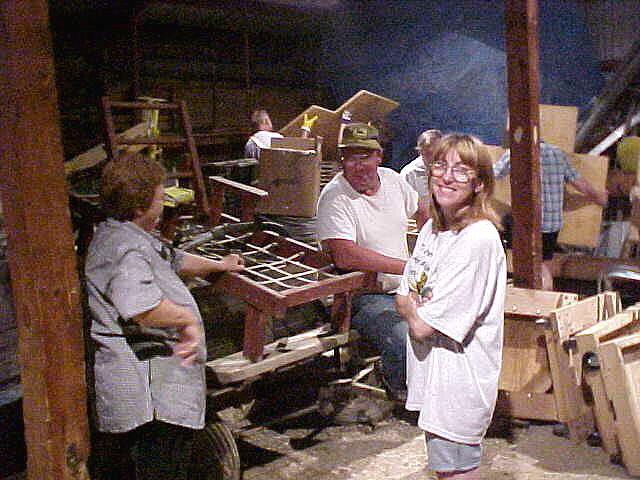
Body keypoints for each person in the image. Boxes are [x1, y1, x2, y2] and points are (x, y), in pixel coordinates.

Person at [85, 153, 244, 480]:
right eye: (160, 198)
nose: (163, 204)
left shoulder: (124, 234)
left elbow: (172, 258)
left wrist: (220, 265)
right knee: (159, 468)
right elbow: (140, 306)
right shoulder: (124, 250)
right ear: (140, 207)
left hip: (157, 385)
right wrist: (186, 320)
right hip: (150, 395)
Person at [395, 133, 506, 479]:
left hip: (458, 384)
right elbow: (403, 294)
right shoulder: (432, 228)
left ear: (479, 184)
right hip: (433, 378)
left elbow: (421, 325)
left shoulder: (477, 239)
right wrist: (413, 305)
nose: (446, 177)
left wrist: (413, 308)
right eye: (440, 166)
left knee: (455, 471)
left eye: (461, 170)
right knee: (444, 469)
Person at [316, 122, 428, 402]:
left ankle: (432, 388)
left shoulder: (392, 180)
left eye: (365, 157)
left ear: (379, 156)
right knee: (405, 336)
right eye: (350, 158)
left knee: (449, 322)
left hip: (404, 288)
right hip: (362, 295)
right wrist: (406, 267)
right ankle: (399, 391)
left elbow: (422, 211)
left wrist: (431, 247)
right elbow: (345, 254)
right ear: (342, 161)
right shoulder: (335, 197)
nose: (358, 166)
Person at [493, 140, 608, 290]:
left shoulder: (516, 152)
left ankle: (532, 292)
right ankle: (545, 293)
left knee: (499, 231)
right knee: (542, 263)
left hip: (530, 223)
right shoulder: (557, 153)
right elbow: (579, 183)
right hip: (552, 225)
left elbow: (493, 174)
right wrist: (598, 197)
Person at [400, 129, 443, 196]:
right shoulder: (409, 173)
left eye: (438, 152)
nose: (434, 157)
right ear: (420, 151)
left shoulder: (448, 170)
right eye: (430, 153)